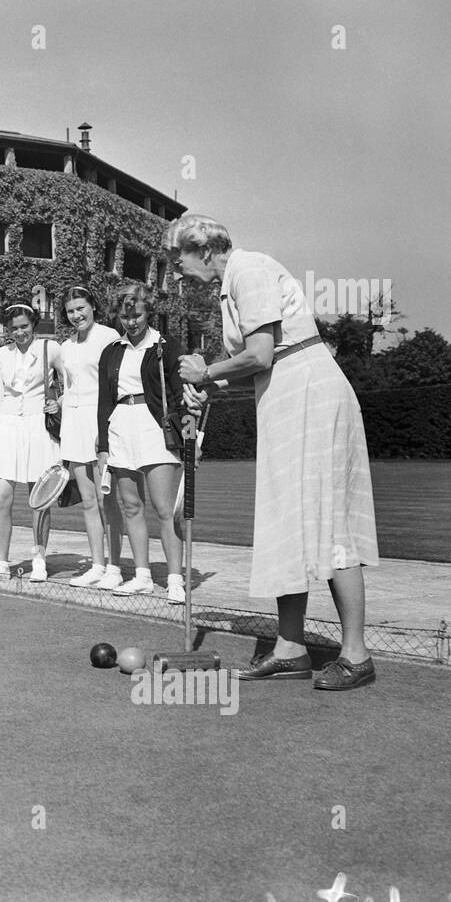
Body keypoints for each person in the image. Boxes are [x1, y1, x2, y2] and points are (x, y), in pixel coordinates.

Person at [168, 213, 379, 691]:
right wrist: (213, 381)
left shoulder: (249, 270)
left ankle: (356, 655)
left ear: (202, 247)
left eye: (178, 256)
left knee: (329, 520)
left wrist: (206, 372)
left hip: (310, 392)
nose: (176, 267)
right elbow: (256, 365)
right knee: (286, 520)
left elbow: (261, 354)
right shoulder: (230, 286)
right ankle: (290, 648)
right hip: (283, 394)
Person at [97, 284, 185, 603]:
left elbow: (180, 395)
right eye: (125, 316)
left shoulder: (166, 346)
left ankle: (175, 579)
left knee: (164, 508)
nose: (131, 321)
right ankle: (142, 576)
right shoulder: (111, 351)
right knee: (131, 505)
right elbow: (104, 402)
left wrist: (189, 435)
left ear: (148, 311)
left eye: (137, 315)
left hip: (154, 427)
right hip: (121, 424)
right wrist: (103, 445)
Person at [0, 302, 63, 584]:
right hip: (5, 427)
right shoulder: (0, 355)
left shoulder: (51, 349)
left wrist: (58, 403)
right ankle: (1, 564)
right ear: (7, 329)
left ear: (33, 324)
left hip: (39, 427)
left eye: (24, 326)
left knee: (40, 501)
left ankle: (39, 560)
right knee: (1, 498)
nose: (19, 332)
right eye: (14, 328)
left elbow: (73, 384)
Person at [52, 286, 123, 588]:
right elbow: (68, 388)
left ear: (93, 306)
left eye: (81, 308)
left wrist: (106, 428)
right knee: (89, 500)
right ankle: (97, 564)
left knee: (110, 499)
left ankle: (116, 568)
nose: (76, 315)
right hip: (73, 423)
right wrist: (58, 405)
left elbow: (117, 384)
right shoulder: (65, 346)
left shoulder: (109, 337)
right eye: (70, 311)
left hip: (101, 421)